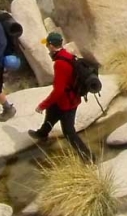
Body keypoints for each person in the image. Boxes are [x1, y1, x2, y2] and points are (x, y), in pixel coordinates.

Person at [28, 32, 93, 162]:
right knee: (51, 112)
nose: (47, 47)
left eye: (47, 45)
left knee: (69, 132)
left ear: (51, 46)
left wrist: (43, 104)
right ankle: (42, 134)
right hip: (70, 98)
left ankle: (88, 157)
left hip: (67, 102)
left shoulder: (60, 63)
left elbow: (59, 90)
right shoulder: (68, 55)